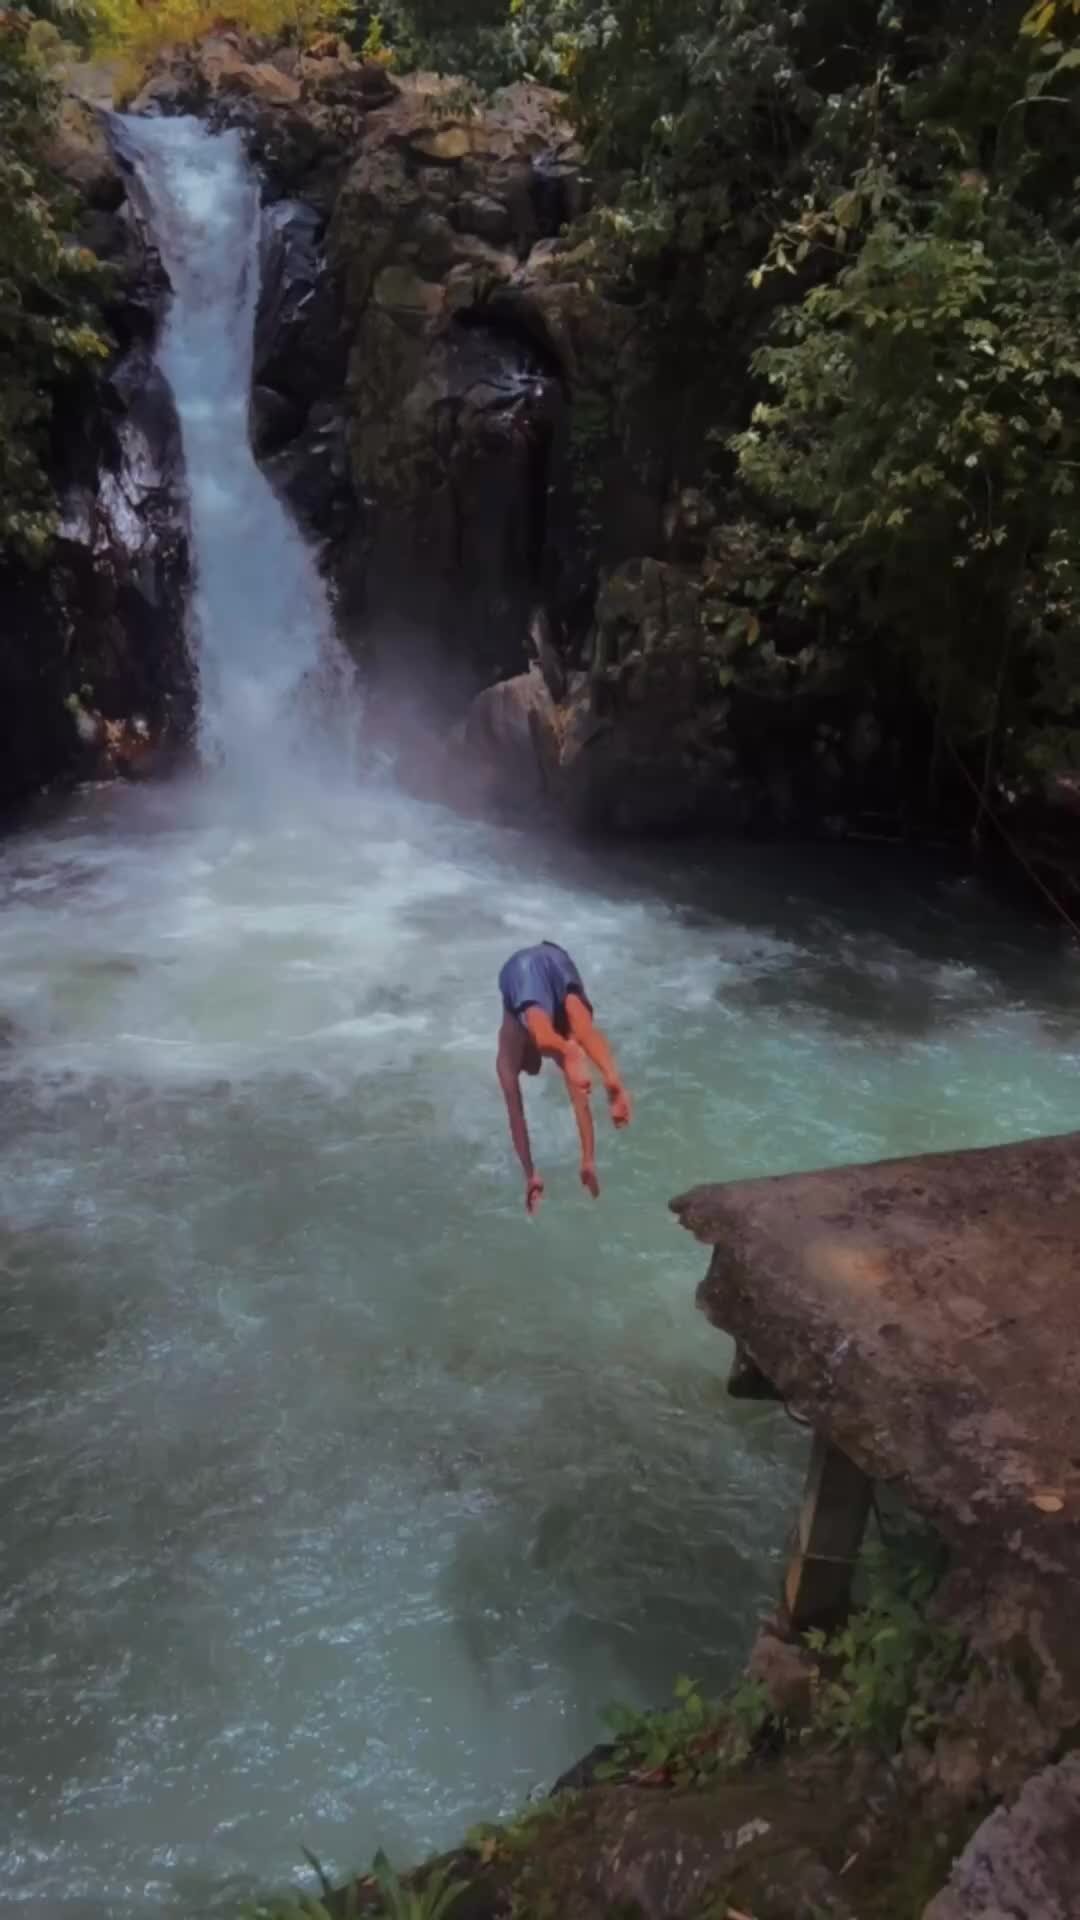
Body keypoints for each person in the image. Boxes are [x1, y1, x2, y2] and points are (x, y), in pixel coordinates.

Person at [496, 940, 632, 1216]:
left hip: (519, 971)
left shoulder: (507, 1059)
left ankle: (571, 1052)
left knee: (542, 1032)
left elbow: (516, 1118)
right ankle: (611, 1074)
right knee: (582, 1029)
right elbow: (579, 1100)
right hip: (556, 956)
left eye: (530, 1066)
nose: (531, 1070)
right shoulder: (559, 1042)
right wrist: (588, 1159)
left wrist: (530, 1174)